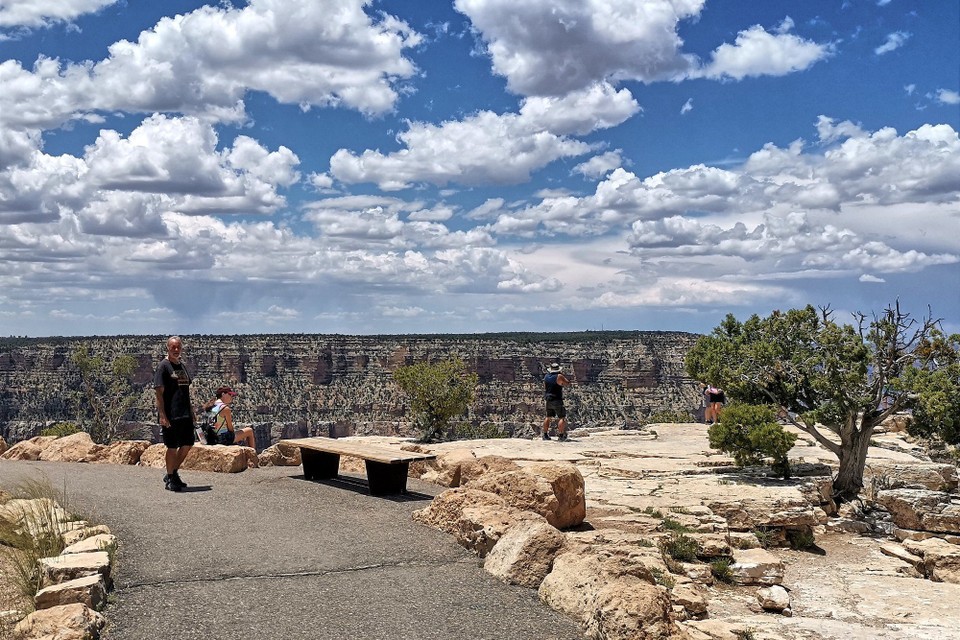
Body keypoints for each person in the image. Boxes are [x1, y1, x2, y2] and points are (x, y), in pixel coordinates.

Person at [154, 336, 195, 491]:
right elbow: (159, 393)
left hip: (185, 413)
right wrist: (163, 415)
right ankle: (171, 479)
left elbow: (185, 391)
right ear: (167, 348)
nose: (176, 350)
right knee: (172, 447)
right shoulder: (163, 366)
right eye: (173, 347)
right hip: (171, 414)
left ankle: (172, 472)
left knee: (187, 444)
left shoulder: (181, 366)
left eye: (178, 347)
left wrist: (191, 410)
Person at [542, 362, 571, 441]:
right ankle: (561, 435)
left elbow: (545, 386)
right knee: (562, 418)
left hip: (548, 399)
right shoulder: (559, 376)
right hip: (557, 399)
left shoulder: (546, 376)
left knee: (548, 417)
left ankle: (545, 435)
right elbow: (567, 383)